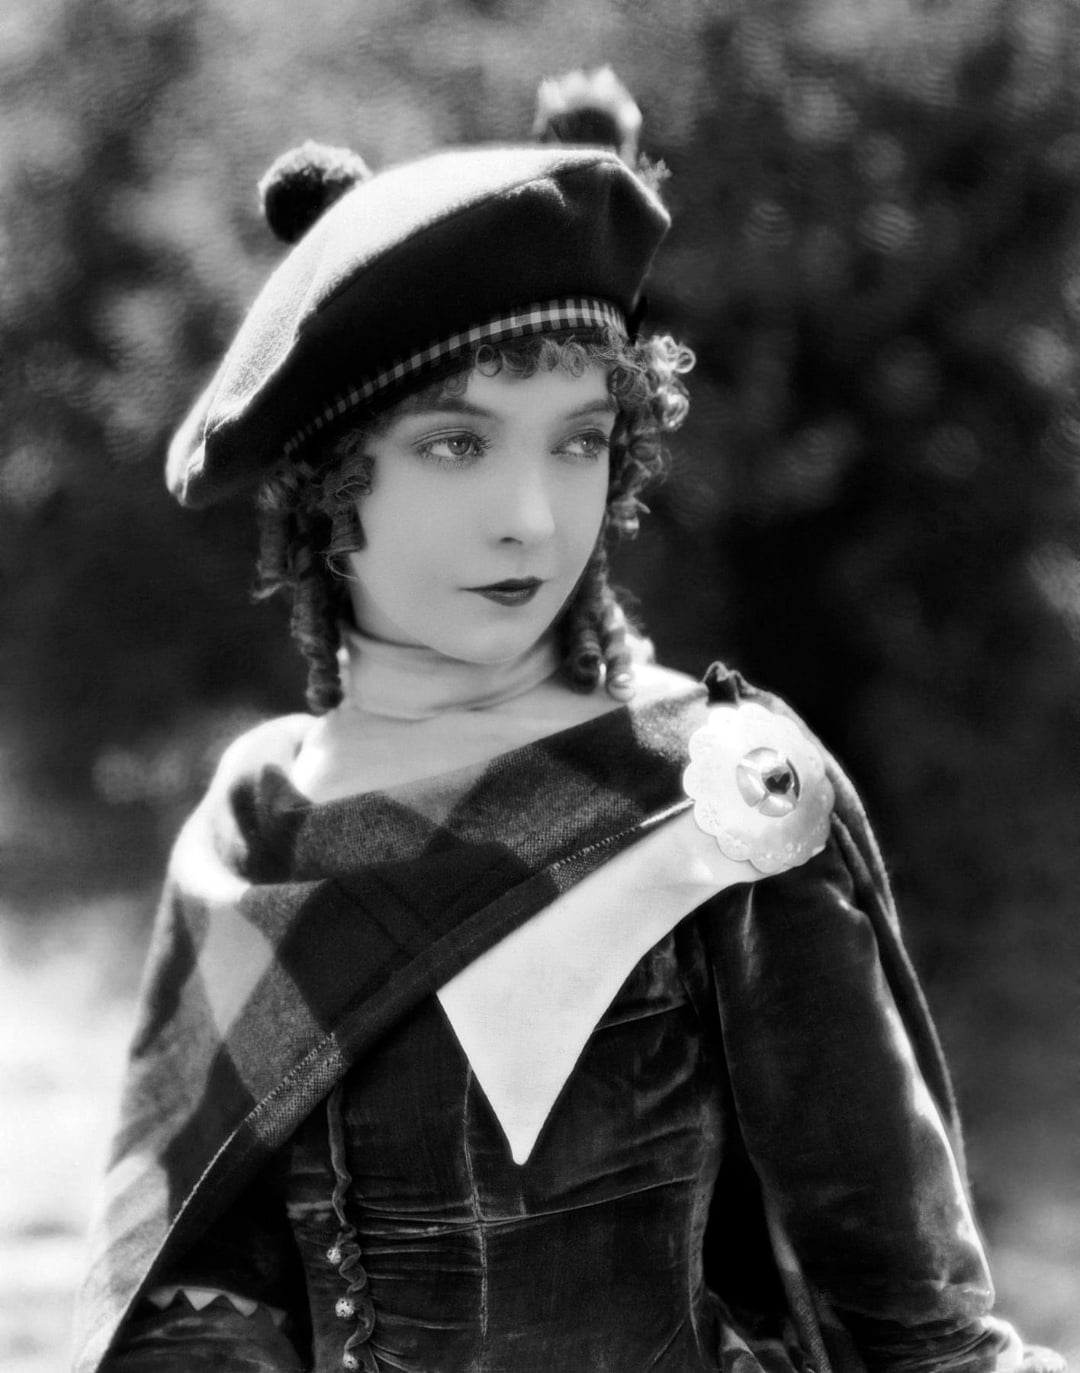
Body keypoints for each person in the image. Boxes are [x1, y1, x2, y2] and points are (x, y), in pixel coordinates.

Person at [73, 71, 1062, 1373]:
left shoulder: (715, 798)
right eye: (457, 446)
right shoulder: (255, 826)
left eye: (580, 440)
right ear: (327, 480)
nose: (533, 517)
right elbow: (198, 1300)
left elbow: (913, 1330)